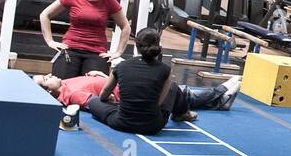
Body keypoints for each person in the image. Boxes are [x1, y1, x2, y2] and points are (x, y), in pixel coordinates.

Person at [82, 27, 240, 135]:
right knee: (173, 87)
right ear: (158, 46)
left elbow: (103, 96)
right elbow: (159, 102)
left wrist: (109, 100)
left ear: (136, 46)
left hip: (121, 122)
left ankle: (195, 107)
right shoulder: (165, 70)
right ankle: (183, 113)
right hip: (152, 126)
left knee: (94, 101)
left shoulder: (121, 66)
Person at [38, 0, 133, 80]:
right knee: (61, 85)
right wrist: (50, 41)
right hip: (71, 48)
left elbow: (125, 26)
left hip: (97, 52)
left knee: (92, 87)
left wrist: (118, 52)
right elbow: (45, 15)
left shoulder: (109, 1)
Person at [33, 69, 240, 117]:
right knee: (181, 93)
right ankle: (219, 92)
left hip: (120, 85)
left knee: (180, 93)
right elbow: (96, 102)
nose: (50, 74)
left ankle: (219, 101)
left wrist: (97, 75)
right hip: (128, 92)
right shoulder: (71, 96)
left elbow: (92, 84)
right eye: (46, 79)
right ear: (49, 91)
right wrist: (112, 102)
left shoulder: (66, 83)